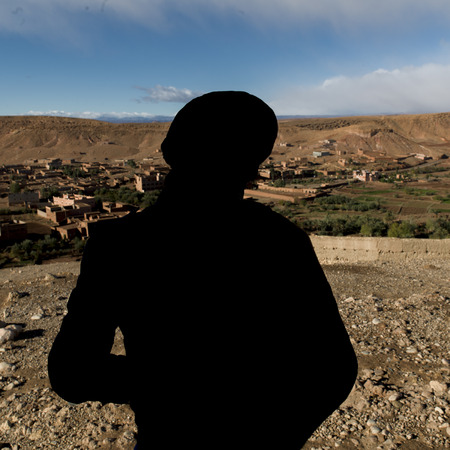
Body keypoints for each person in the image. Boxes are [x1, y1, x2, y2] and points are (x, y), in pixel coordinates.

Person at [48, 91, 357, 449]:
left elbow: (71, 373)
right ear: (253, 166)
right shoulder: (280, 241)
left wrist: (162, 387)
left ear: (169, 151)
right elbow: (334, 369)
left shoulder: (119, 245)